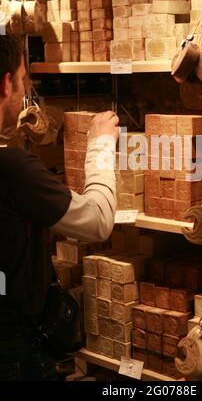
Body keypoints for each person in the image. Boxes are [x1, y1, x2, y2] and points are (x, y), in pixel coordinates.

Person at [0, 34, 119, 380]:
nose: (24, 91)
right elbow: (97, 221)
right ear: (6, 84)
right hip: (13, 349)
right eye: (22, 79)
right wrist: (99, 145)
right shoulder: (11, 168)